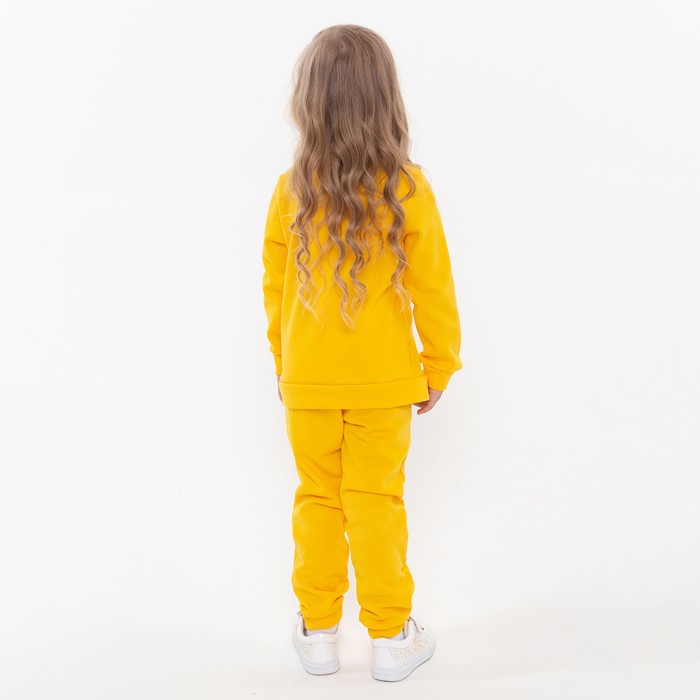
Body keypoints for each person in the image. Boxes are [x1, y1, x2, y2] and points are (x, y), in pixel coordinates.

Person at [261, 24, 463, 683]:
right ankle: (391, 637)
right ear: (385, 98)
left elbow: (274, 288)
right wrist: (439, 363)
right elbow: (433, 285)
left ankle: (318, 632)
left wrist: (284, 364)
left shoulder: (290, 190)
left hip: (308, 384)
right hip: (384, 384)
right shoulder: (408, 189)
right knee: (376, 500)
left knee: (318, 499)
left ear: (308, 100)